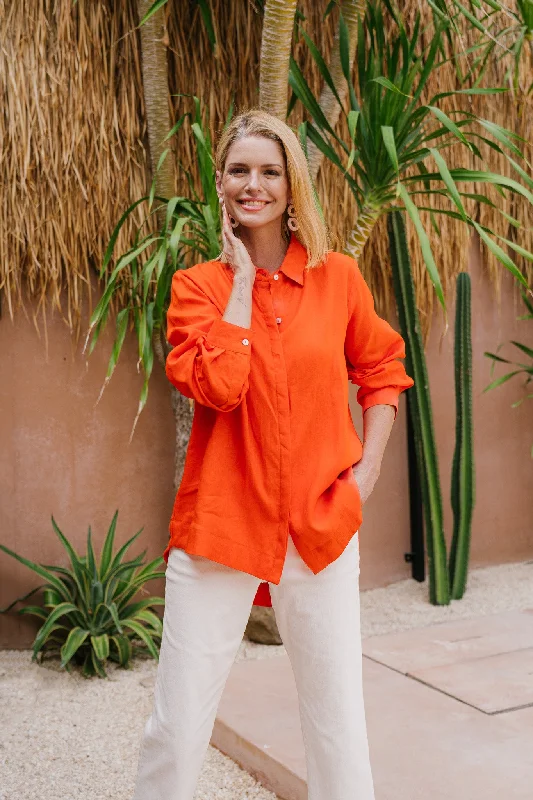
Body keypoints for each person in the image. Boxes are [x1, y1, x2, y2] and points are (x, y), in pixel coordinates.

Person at [132, 108, 414, 800]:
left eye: (268, 170)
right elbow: (220, 388)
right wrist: (237, 286)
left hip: (320, 526)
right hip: (222, 528)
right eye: (238, 171)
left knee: (336, 722)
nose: (252, 184)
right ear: (220, 185)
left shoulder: (338, 278)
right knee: (177, 723)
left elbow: (381, 372)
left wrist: (366, 473)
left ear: (291, 186)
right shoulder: (196, 289)